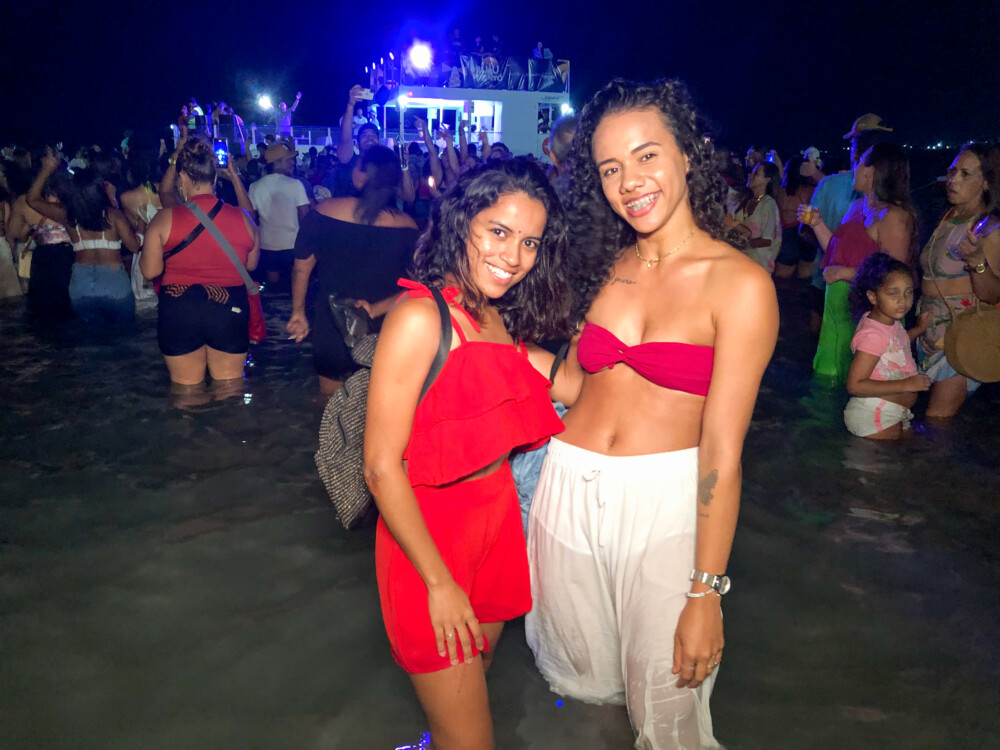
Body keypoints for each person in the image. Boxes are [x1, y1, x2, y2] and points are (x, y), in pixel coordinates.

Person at [525, 79, 778, 750]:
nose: (629, 182)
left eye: (646, 156)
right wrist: (489, 340)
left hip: (665, 508)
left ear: (687, 155)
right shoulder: (602, 267)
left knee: (670, 717)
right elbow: (575, 385)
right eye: (610, 168)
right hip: (566, 489)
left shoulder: (740, 284)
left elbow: (722, 451)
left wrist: (706, 593)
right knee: (581, 687)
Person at [362, 158, 571, 750]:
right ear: (461, 223)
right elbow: (380, 467)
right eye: (498, 231)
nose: (515, 255)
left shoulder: (496, 319)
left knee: (467, 699)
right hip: (429, 543)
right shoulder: (419, 318)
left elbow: (579, 387)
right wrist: (438, 583)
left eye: (530, 242)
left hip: (496, 527)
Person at [287, 146, 419, 394]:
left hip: (333, 321)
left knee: (331, 406)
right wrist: (379, 308)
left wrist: (298, 313)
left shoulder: (325, 211)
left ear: (361, 175)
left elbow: (301, 269)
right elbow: (420, 287)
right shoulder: (408, 226)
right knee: (382, 404)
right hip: (387, 326)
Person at [140, 136, 259, 387]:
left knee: (186, 389)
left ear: (182, 178)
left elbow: (150, 271)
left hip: (180, 307)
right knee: (230, 387)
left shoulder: (164, 219)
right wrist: (235, 176)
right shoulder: (244, 219)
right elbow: (250, 265)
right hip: (229, 307)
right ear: (215, 179)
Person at [800, 142, 914, 383]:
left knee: (863, 382)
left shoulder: (893, 216)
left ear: (871, 171)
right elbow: (837, 252)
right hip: (838, 311)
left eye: (860, 163)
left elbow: (896, 277)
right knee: (828, 379)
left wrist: (844, 273)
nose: (855, 168)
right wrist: (817, 224)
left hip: (869, 313)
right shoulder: (857, 206)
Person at [915, 143, 999, 416]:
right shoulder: (947, 217)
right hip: (929, 334)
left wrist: (976, 260)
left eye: (965, 174)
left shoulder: (988, 229)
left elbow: (991, 295)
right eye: (952, 171)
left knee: (937, 420)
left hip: (961, 336)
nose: (953, 180)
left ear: (986, 182)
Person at [27, 157, 141, 324]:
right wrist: (141, 227)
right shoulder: (114, 216)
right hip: (113, 283)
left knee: (89, 336)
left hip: (82, 285)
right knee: (124, 334)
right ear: (99, 190)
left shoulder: (67, 215)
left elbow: (32, 200)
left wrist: (45, 170)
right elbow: (134, 246)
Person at [844, 253, 931, 439]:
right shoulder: (873, 335)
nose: (903, 300)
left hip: (892, 411)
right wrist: (906, 384)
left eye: (908, 292)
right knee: (888, 457)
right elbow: (854, 385)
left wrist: (919, 329)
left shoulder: (888, 322)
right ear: (873, 297)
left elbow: (895, 345)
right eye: (893, 293)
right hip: (874, 413)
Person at [248, 143, 309, 286]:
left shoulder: (255, 187)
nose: (293, 163)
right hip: (292, 244)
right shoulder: (295, 184)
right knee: (294, 284)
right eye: (289, 160)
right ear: (277, 163)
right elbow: (304, 214)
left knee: (273, 284)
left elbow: (251, 218)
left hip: (266, 244)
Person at [728, 160, 781, 272]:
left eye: (756, 173)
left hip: (758, 265)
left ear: (767, 180)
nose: (750, 175)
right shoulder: (744, 199)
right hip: (740, 263)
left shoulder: (768, 204)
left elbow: (767, 240)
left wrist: (742, 243)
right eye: (752, 172)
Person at [774, 155, 816, 279]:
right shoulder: (812, 190)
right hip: (807, 234)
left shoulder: (781, 192)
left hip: (787, 236)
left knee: (782, 280)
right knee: (805, 280)